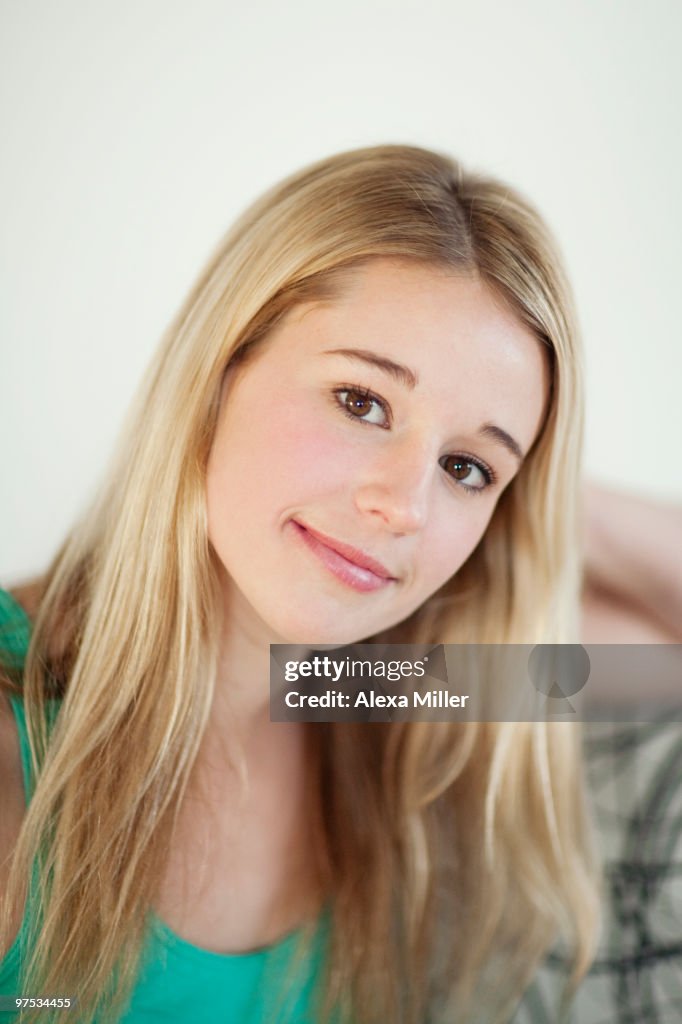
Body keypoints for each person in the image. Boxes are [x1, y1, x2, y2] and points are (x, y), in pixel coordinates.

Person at [0, 144, 672, 1024]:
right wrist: (473, 460)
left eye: (466, 467)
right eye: (362, 402)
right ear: (218, 368)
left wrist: (542, 506)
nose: (404, 507)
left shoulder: (363, 687)